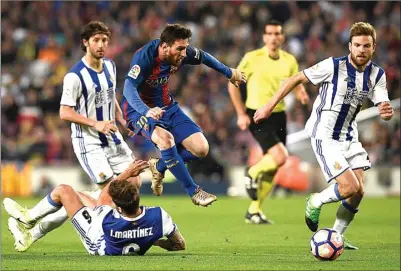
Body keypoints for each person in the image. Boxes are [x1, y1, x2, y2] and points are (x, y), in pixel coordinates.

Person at [253, 22, 394, 249]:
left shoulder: (377, 74)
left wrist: (386, 112)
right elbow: (295, 78)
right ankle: (315, 200)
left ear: (373, 47)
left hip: (349, 135)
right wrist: (269, 107)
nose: (361, 50)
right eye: (357, 45)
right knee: (349, 187)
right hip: (325, 134)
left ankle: (336, 235)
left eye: (366, 46)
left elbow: (382, 105)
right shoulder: (333, 66)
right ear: (349, 46)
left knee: (359, 192)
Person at [5, 21, 140, 252]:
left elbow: (110, 95)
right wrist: (95, 123)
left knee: (133, 184)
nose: (101, 45)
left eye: (105, 40)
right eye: (96, 40)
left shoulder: (110, 66)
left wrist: (121, 118)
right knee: (107, 198)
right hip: (89, 143)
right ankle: (36, 226)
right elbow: (64, 112)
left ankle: (30, 221)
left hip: (112, 138)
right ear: (85, 42)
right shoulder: (74, 76)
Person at [121, 23, 246, 207]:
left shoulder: (181, 52)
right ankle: (194, 191)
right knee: (166, 140)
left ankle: (160, 166)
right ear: (164, 46)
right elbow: (128, 88)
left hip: (167, 106)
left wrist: (229, 72)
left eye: (185, 48)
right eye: (179, 49)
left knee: (201, 149)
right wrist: (146, 111)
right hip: (138, 109)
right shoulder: (145, 57)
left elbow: (203, 57)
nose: (183, 53)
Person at [4, 160, 187, 255]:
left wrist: (127, 173)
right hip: (122, 240)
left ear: (118, 209)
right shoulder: (159, 217)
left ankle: (29, 220)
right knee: (80, 196)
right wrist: (152, 240)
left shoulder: (108, 220)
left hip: (98, 242)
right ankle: (29, 235)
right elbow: (180, 245)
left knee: (64, 192)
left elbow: (104, 196)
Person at [227, 20, 309, 224]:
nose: (273, 37)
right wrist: (240, 114)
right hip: (257, 114)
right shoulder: (252, 58)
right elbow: (233, 85)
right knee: (280, 157)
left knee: (273, 167)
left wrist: (301, 93)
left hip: (279, 115)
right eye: (270, 33)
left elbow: (295, 81)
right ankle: (252, 171)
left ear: (282, 37)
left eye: (277, 34)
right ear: (264, 37)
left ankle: (254, 210)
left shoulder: (289, 60)